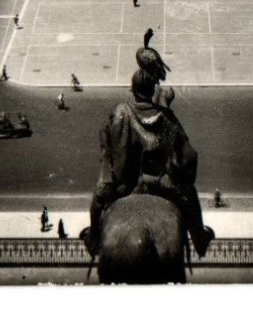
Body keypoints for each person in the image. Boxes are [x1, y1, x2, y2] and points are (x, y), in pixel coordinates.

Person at [82, 35, 215, 259]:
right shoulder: (166, 118)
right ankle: (199, 240)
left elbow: (110, 153)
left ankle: (94, 236)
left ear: (133, 91)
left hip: (124, 186)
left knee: (97, 200)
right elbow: (187, 158)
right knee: (190, 195)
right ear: (152, 91)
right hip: (160, 185)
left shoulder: (121, 112)